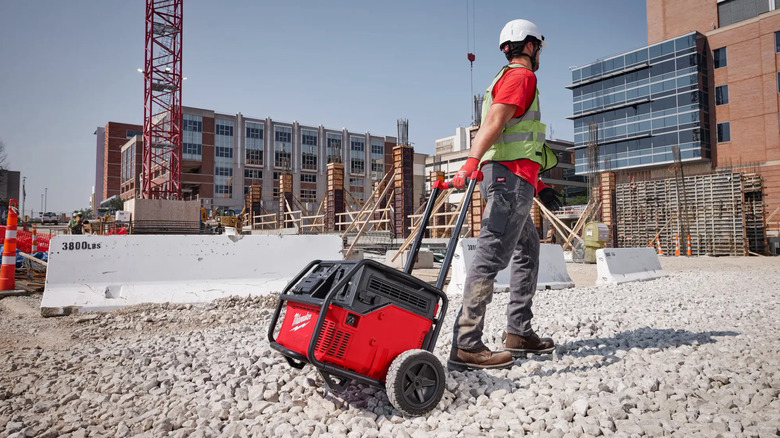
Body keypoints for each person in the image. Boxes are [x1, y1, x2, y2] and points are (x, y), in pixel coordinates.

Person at [448, 18, 564, 371]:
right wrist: (469, 162)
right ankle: (467, 343)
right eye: (539, 47)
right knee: (491, 253)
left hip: (513, 178)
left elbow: (514, 141)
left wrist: (540, 187)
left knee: (527, 248)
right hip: (508, 182)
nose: (540, 53)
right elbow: (495, 123)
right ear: (529, 46)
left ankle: (518, 331)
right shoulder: (521, 77)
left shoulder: (501, 79)